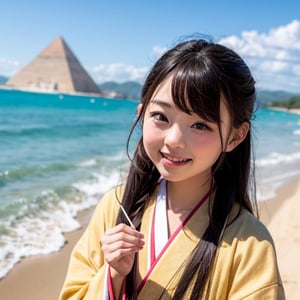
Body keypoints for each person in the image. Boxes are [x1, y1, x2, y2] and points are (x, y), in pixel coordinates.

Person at [59, 38, 285, 299]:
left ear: (235, 136)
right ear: (142, 114)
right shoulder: (116, 206)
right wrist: (112, 277)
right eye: (161, 117)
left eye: (201, 125)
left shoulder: (251, 244)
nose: (174, 140)